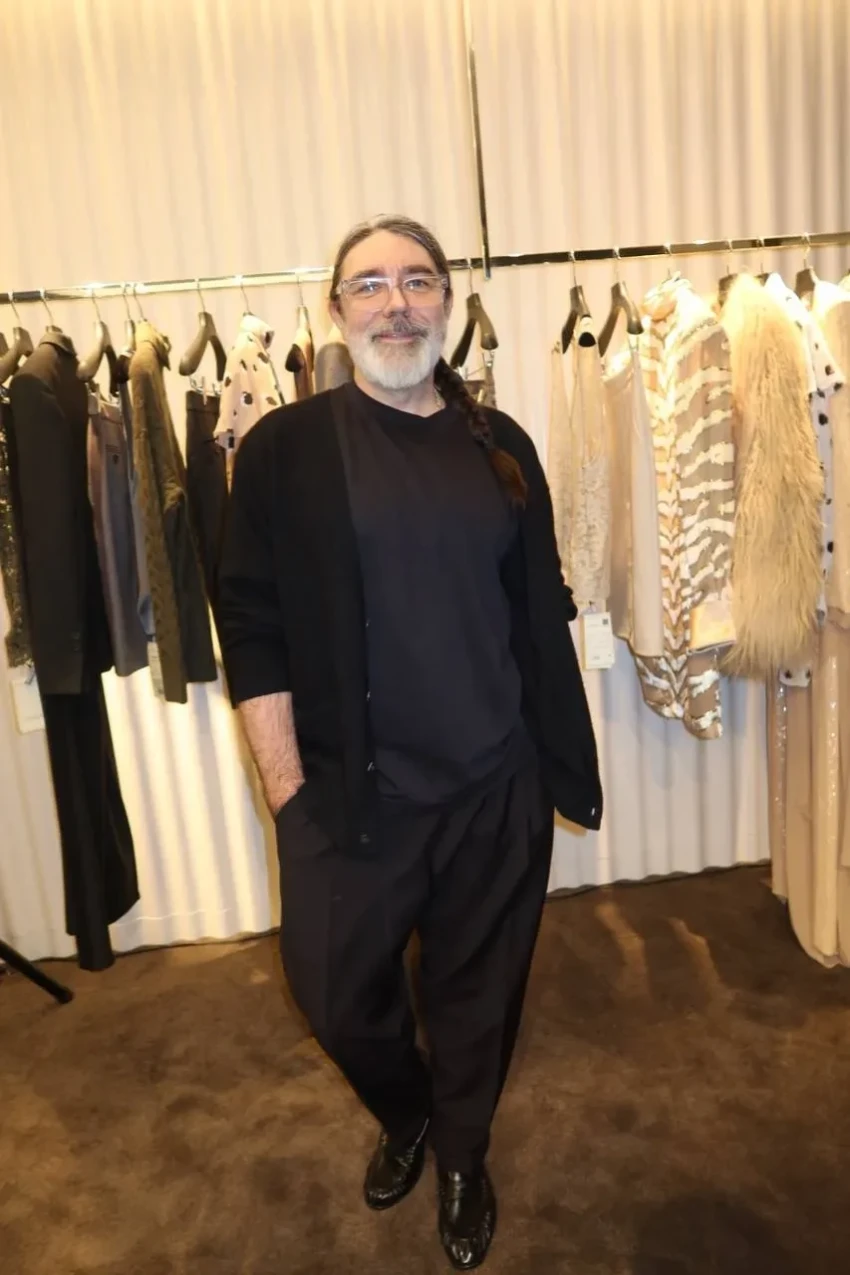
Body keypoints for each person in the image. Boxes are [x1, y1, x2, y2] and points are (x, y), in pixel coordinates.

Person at [218, 214, 602, 1270]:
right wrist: (286, 790)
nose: (396, 303)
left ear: (447, 300)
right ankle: (408, 1108)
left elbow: (536, 602)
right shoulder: (285, 450)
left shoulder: (500, 442)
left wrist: (547, 754)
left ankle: (463, 1152)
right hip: (352, 796)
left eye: (418, 280)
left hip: (495, 787)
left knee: (480, 995)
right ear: (336, 310)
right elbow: (249, 620)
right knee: (335, 992)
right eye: (370, 284)